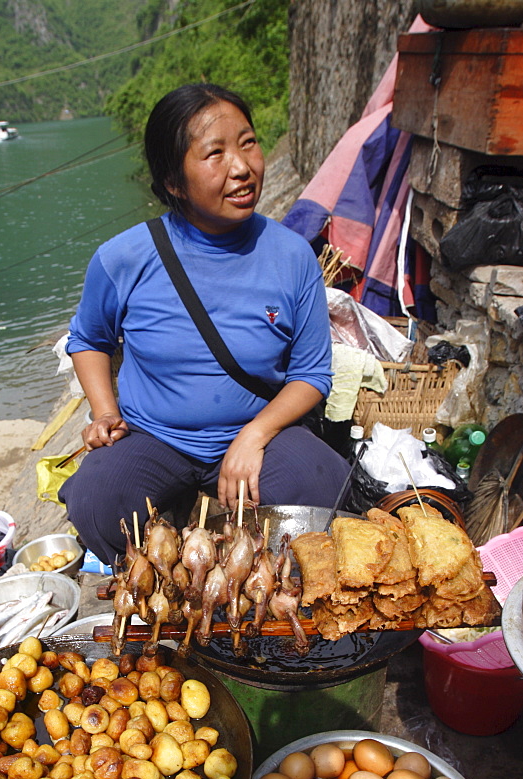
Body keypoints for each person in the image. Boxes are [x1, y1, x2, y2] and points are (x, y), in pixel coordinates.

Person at [59, 83, 349, 567]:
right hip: (155, 436)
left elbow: (312, 374)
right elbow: (89, 338)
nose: (242, 167)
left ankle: (257, 579)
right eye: (215, 153)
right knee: (97, 501)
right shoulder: (123, 258)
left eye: (249, 143)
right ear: (174, 181)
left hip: (260, 433)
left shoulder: (293, 256)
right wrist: (104, 413)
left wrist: (253, 436)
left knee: (322, 487)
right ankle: (162, 578)